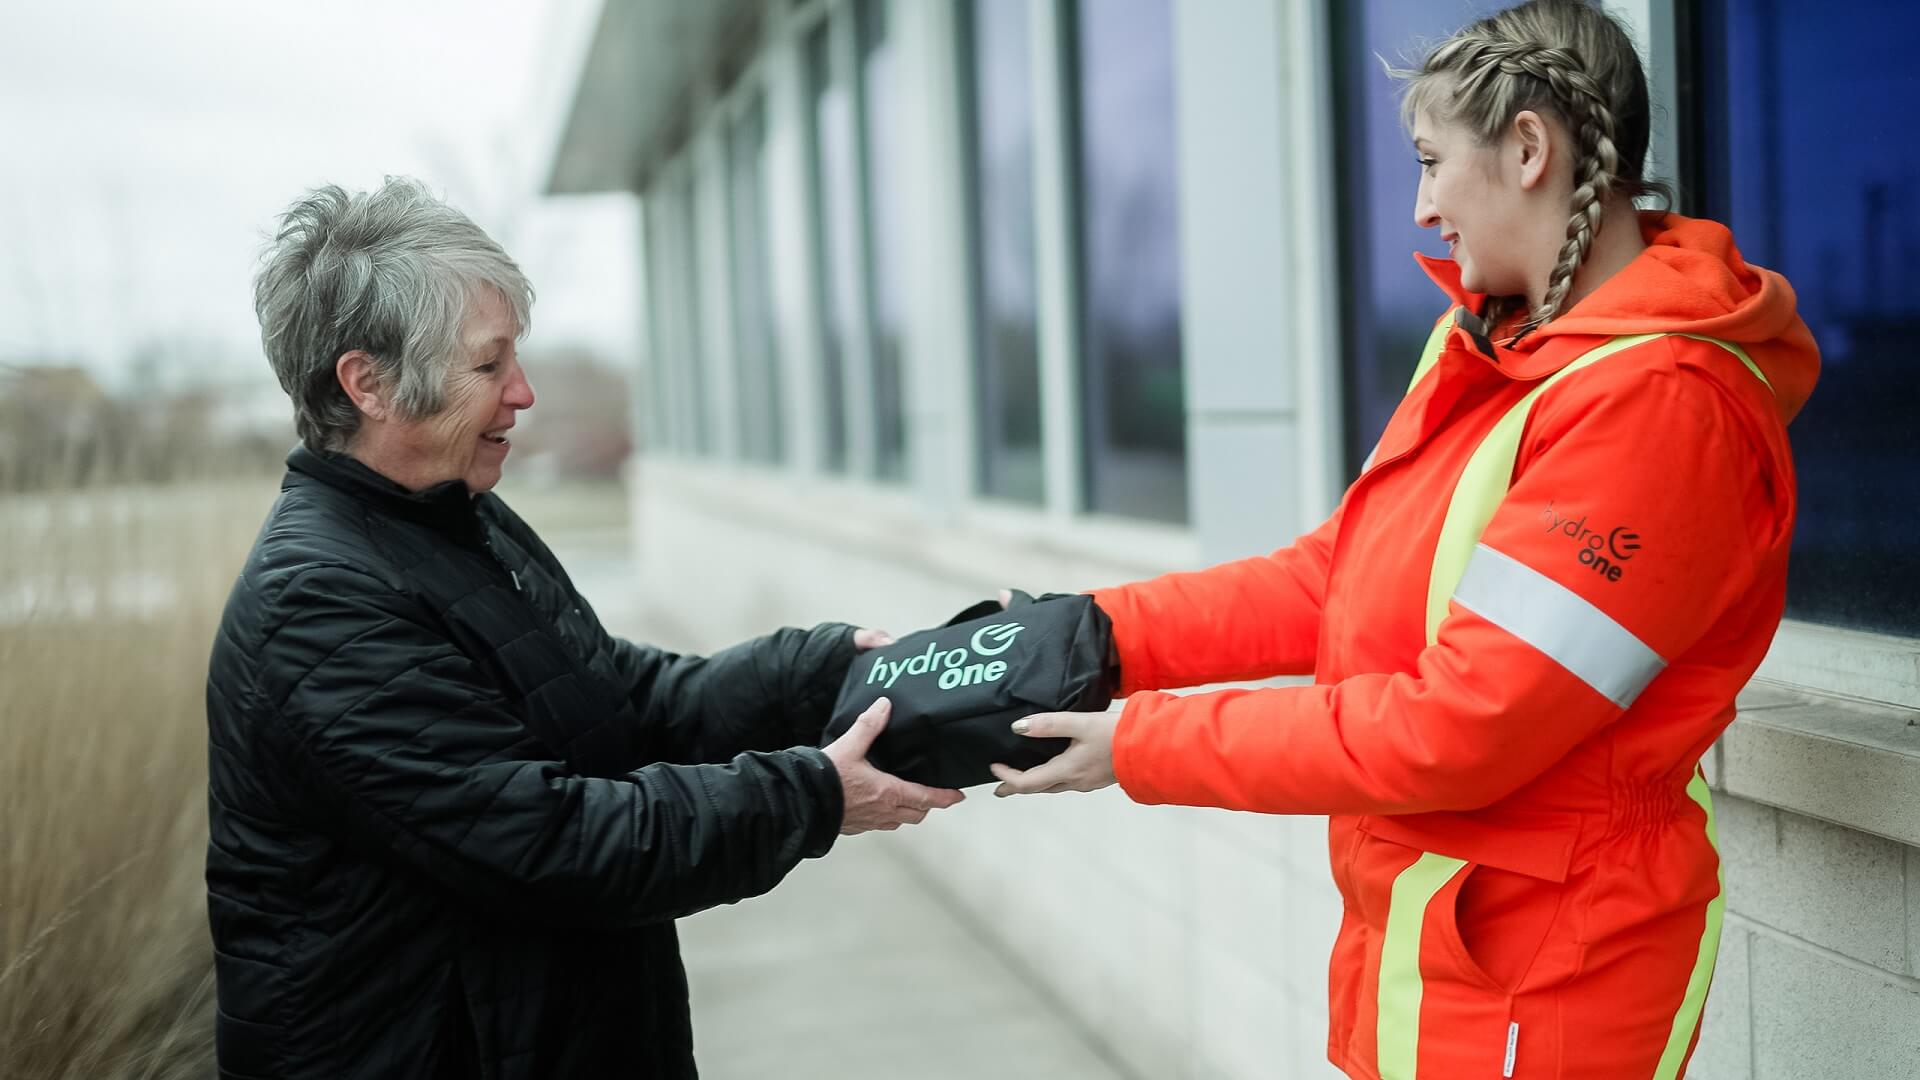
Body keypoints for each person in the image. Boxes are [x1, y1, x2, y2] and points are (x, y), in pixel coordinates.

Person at [987, 2, 1819, 1077]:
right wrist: (1093, 636)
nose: (1423, 208)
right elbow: (1337, 579)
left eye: (1433, 163)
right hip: (1442, 942)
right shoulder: (1497, 344)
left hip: (1556, 969)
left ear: (1529, 149)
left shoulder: (1660, 409)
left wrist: (1141, 745)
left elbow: (1462, 724)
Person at [204, 177, 963, 1079]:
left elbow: (613, 696)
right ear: (368, 383)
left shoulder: (452, 518)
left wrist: (813, 670)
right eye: (488, 366)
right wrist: (814, 796)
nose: (521, 392)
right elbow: (551, 843)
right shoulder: (319, 606)